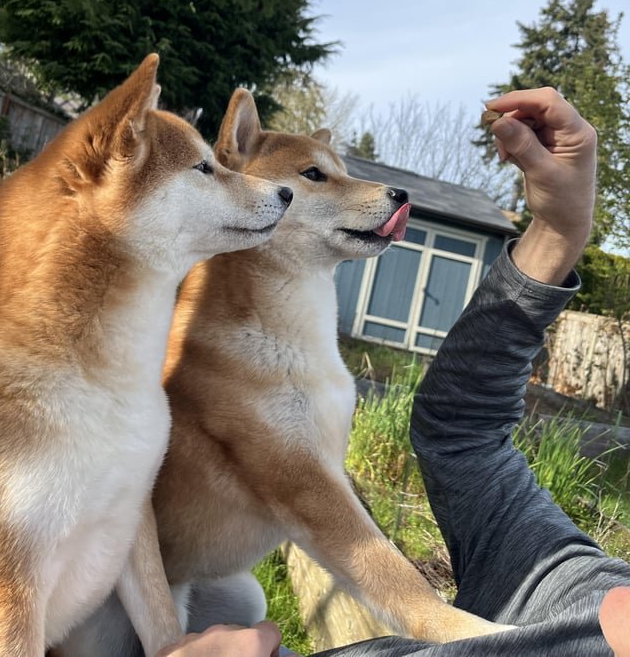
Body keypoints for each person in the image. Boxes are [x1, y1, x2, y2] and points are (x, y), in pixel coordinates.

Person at [156, 87, 630, 656]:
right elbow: (461, 435)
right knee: (239, 603)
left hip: (191, 587)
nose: (370, 195)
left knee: (240, 605)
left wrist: (430, 617)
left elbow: (320, 491)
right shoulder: (204, 365)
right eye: (317, 176)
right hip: (161, 572)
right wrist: (559, 229)